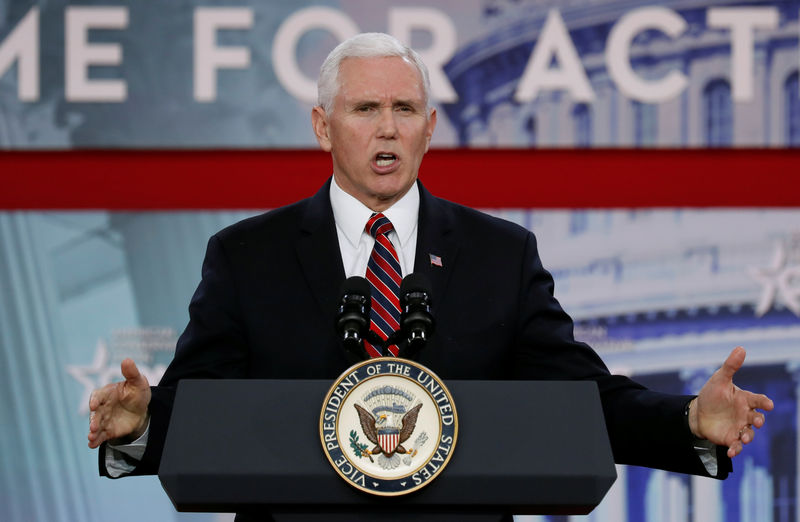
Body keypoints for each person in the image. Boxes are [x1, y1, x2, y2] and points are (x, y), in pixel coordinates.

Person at [88, 31, 773, 503]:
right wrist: (140, 426)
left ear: (430, 127)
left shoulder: (500, 255)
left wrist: (688, 422)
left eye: (404, 109)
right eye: (365, 110)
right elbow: (199, 413)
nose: (387, 129)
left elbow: (583, 400)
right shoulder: (247, 255)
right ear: (324, 127)